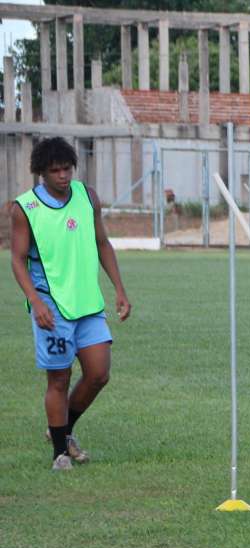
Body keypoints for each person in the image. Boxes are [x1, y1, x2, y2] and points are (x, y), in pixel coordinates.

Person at [9, 137, 131, 471]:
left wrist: (119, 288)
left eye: (67, 169)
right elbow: (17, 260)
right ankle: (60, 453)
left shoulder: (87, 196)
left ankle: (61, 430)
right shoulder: (25, 208)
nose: (63, 176)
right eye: (55, 171)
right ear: (41, 173)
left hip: (88, 304)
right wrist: (35, 302)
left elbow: (102, 243)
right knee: (59, 380)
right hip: (51, 306)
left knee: (98, 374)